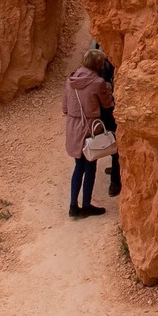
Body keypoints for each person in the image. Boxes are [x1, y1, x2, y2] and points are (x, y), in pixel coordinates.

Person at [64, 54, 109, 219]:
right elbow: (106, 103)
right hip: (89, 128)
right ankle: (87, 205)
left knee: (78, 167)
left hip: (73, 128)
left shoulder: (71, 80)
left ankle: (73, 206)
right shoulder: (98, 83)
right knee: (90, 167)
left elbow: (64, 107)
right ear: (98, 64)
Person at [85, 43, 121, 200]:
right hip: (107, 108)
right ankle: (115, 180)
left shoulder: (97, 63)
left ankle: (115, 173)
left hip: (100, 111)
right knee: (114, 141)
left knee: (112, 140)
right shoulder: (104, 67)